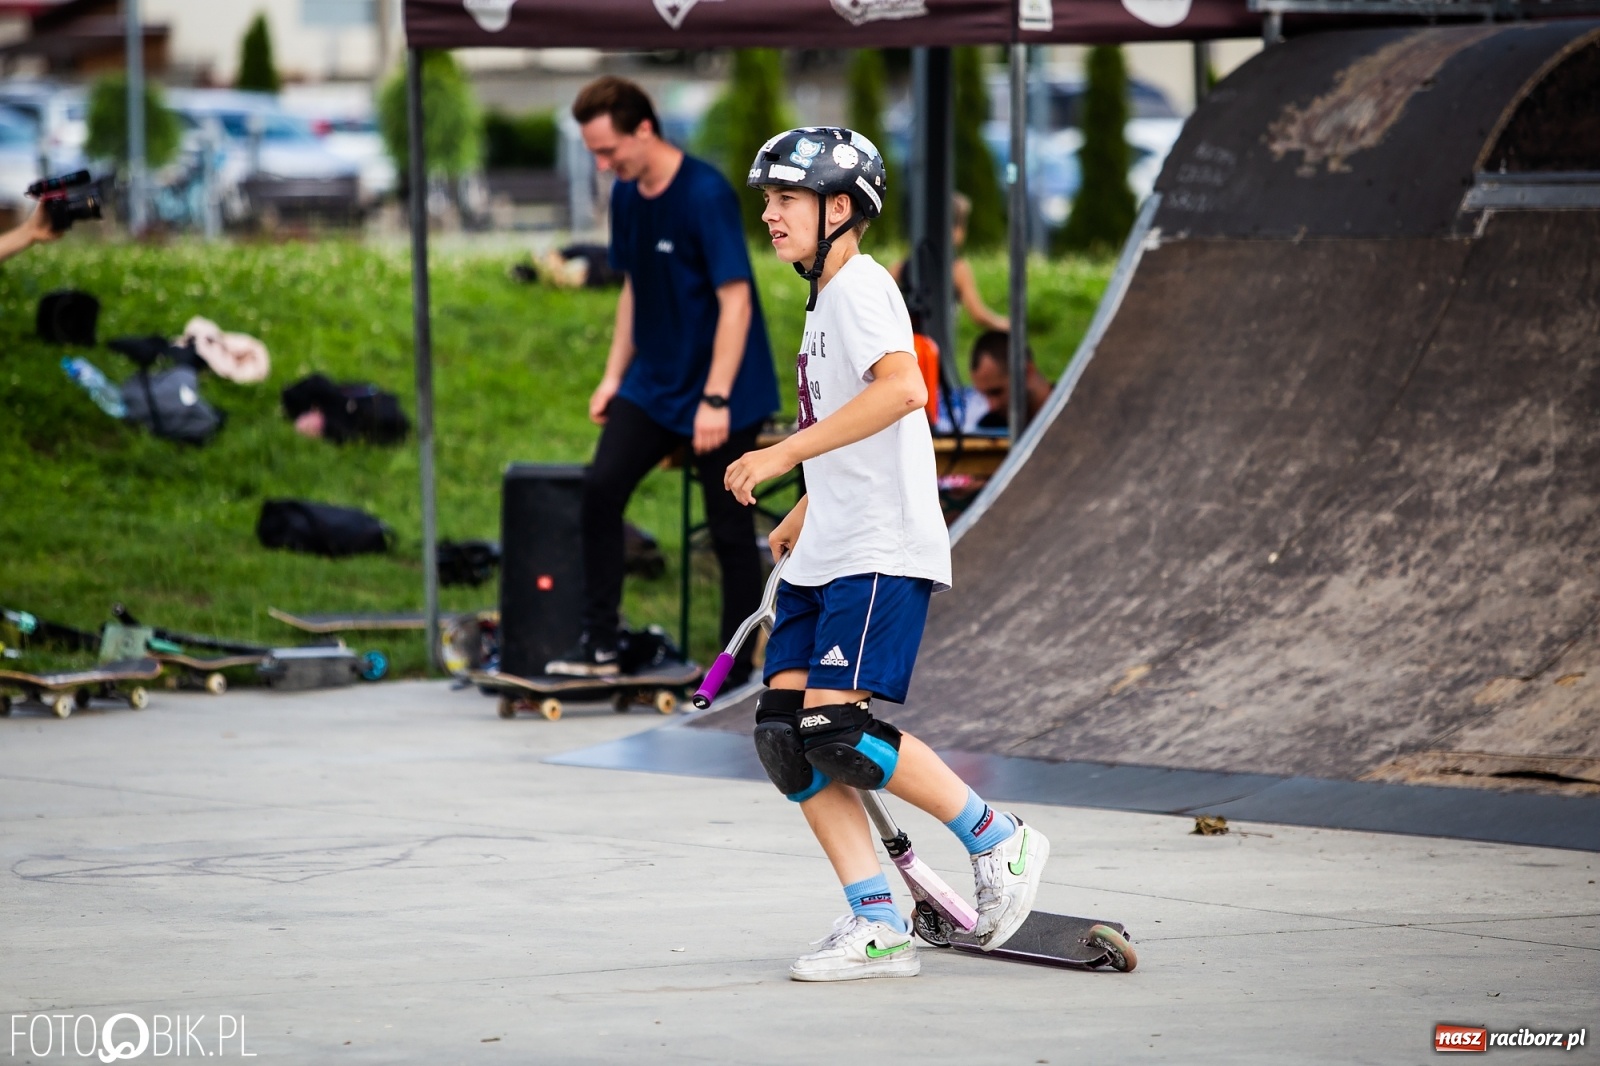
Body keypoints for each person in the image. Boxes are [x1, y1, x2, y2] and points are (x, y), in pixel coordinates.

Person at [723, 127, 1048, 982]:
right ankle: (877, 923)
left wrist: (783, 456)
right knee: (785, 735)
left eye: (785, 200)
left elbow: (905, 390)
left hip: (878, 546)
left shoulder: (862, 288)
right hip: (830, 542)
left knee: (834, 729)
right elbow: (855, 426)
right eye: (767, 201)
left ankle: (999, 839)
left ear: (840, 207)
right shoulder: (824, 301)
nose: (770, 215)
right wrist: (808, 503)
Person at [546, 77, 779, 682]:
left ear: (644, 130)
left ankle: (732, 669)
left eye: (608, 151)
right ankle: (600, 644)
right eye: (594, 153)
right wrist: (612, 377)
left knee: (728, 526)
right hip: (654, 382)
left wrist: (716, 398)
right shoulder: (627, 196)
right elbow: (632, 288)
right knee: (600, 489)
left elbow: (736, 302)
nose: (603, 164)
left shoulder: (704, 194)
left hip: (725, 386)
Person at [889, 192, 1009, 334]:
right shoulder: (958, 269)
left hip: (907, 341)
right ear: (955, 230)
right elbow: (978, 314)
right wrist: (1003, 323)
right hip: (939, 341)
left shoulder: (903, 265)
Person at [968, 328, 1053, 430]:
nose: (991, 406)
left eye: (996, 392)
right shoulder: (991, 427)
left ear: (1026, 373)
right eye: (984, 395)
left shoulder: (1068, 415)